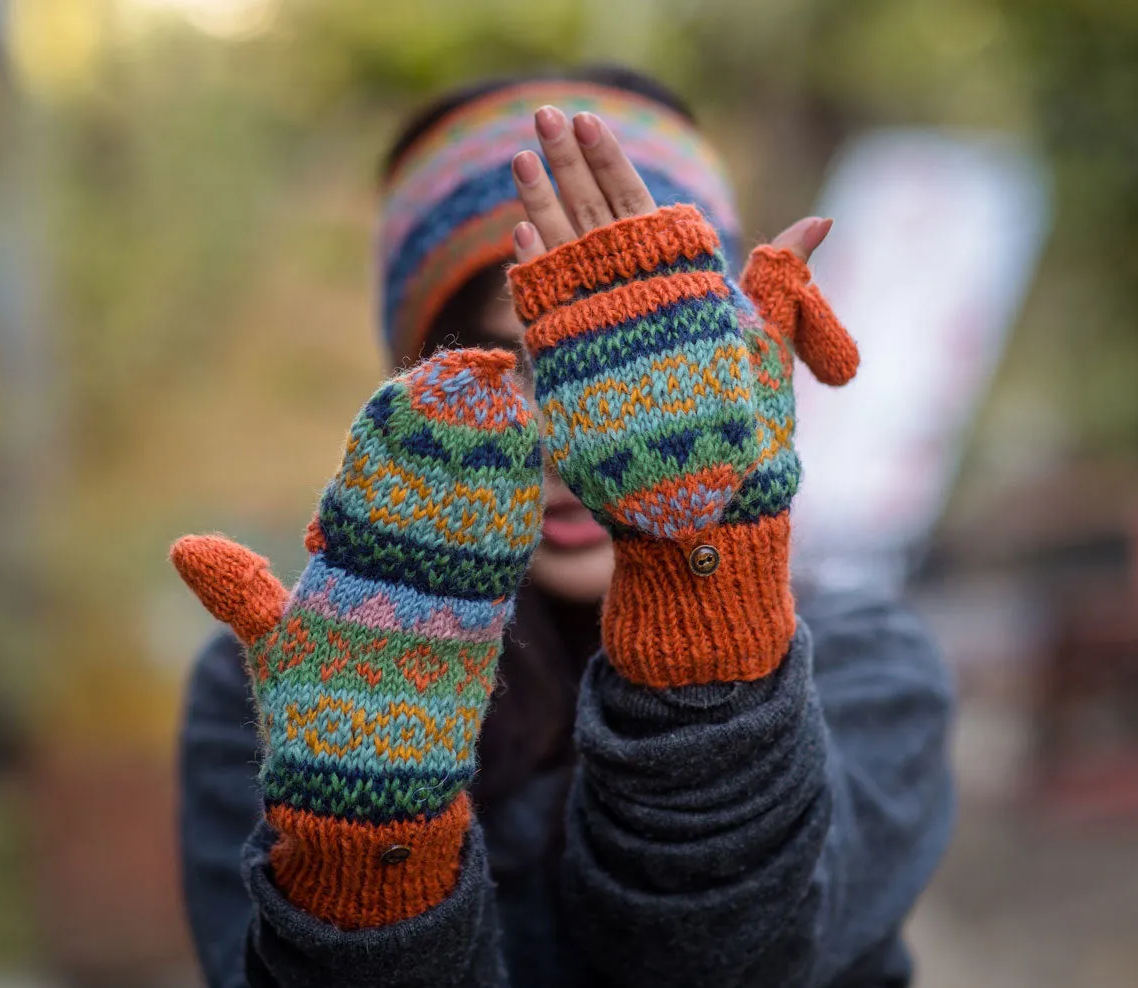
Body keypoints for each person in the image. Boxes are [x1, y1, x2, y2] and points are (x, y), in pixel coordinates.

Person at [175, 67, 955, 988]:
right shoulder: (283, 684)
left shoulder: (868, 658)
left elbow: (744, 963)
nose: (556, 434)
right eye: (502, 367)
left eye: (609, 359)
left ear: (734, 361)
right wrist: (367, 862)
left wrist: (700, 589)